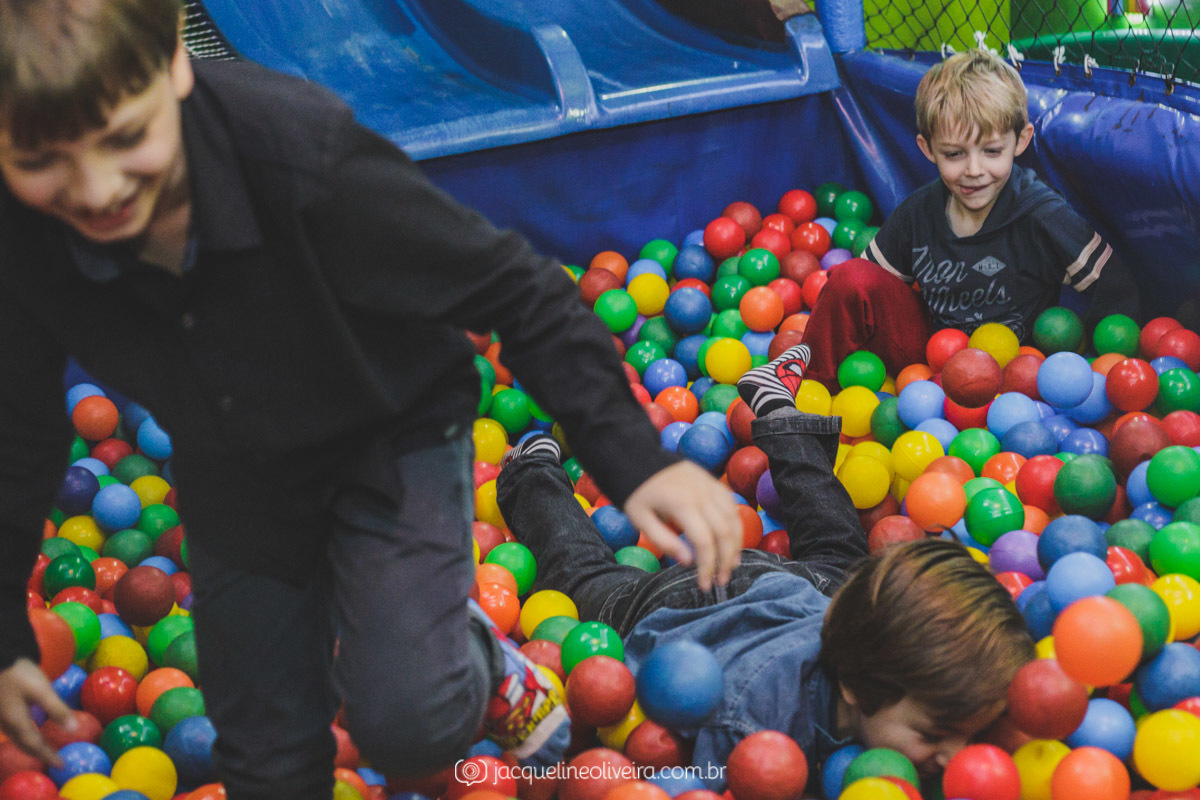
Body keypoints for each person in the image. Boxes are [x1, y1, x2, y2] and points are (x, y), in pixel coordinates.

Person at [0, 1, 743, 797]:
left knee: (410, 724)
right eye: (43, 158)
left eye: (123, 137)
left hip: (390, 431)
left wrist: (635, 461)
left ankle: (479, 659)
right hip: (236, 465)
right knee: (265, 760)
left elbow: (518, 289)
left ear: (176, 64)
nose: (96, 189)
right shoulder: (23, 227)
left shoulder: (299, 155)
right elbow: (18, 428)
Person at [497, 343, 1036, 786]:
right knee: (589, 583)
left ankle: (778, 410)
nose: (958, 758)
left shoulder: (874, 649)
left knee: (841, 553)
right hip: (686, 606)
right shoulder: (749, 725)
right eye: (933, 734)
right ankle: (531, 472)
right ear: (855, 685)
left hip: (808, 593)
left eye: (973, 733)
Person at [801, 48, 1142, 390]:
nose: (974, 170)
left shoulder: (1041, 214)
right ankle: (805, 391)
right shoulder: (918, 213)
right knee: (850, 275)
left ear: (1020, 140)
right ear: (928, 148)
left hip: (1018, 375)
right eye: (954, 154)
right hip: (929, 364)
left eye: (992, 151)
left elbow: (1114, 285)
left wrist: (1097, 372)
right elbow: (865, 290)